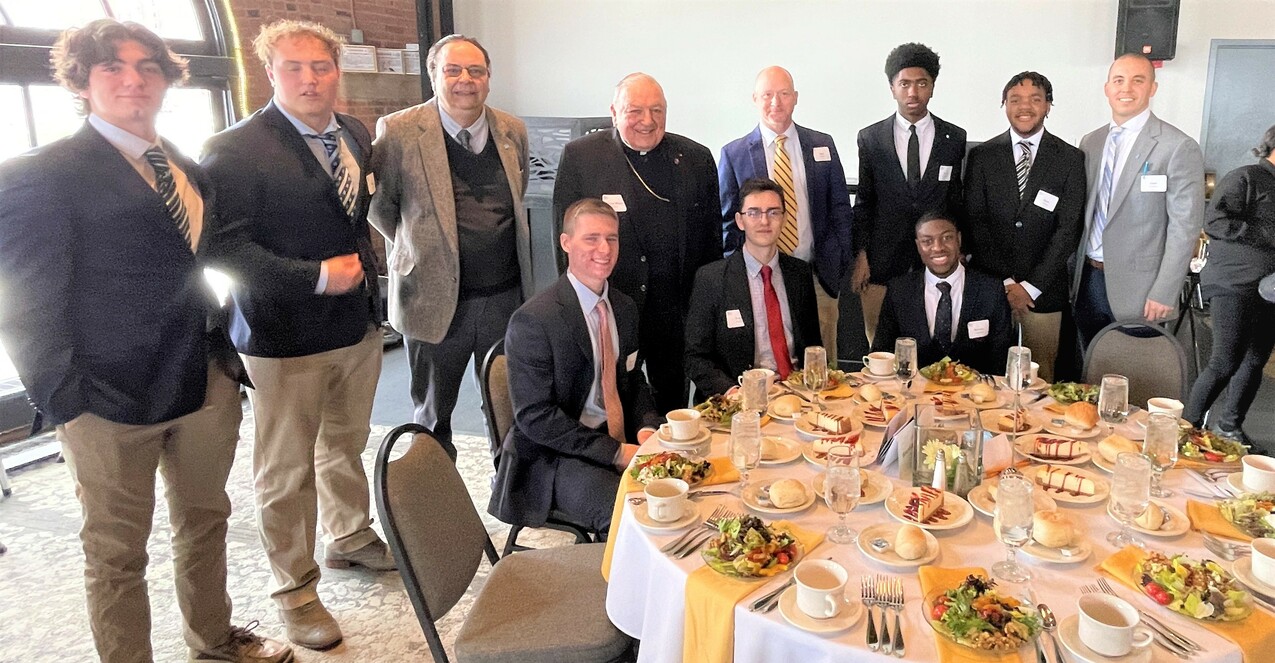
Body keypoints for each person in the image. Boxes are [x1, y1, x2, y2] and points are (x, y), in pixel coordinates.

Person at [0, 19, 292, 663]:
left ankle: (213, 639)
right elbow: (25, 304)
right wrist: (65, 398)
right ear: (81, 81)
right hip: (107, 395)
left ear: (166, 77)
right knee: (116, 551)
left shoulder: (180, 163)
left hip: (201, 377)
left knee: (206, 520)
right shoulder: (41, 174)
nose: (133, 79)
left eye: (147, 66)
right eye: (112, 68)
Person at [200, 20, 391, 651]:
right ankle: (296, 590)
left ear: (337, 70)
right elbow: (224, 251)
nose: (309, 79)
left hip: (354, 327)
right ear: (269, 74)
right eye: (294, 68)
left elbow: (357, 215)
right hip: (282, 336)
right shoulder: (233, 148)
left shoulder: (355, 133)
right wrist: (314, 277)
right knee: (284, 471)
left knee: (345, 443)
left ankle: (351, 535)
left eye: (321, 66)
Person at [369, 34, 533, 460]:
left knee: (505, 406)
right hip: (432, 298)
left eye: (476, 70)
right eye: (453, 70)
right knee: (433, 417)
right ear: (433, 75)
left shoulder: (512, 129)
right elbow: (381, 207)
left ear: (489, 78)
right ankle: (434, 504)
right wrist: (417, 248)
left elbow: (518, 196)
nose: (465, 80)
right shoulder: (399, 131)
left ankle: (509, 493)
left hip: (503, 298)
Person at [488, 199, 661, 532]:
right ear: (566, 243)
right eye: (591, 238)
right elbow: (535, 417)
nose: (604, 248)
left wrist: (646, 428)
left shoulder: (623, 308)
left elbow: (632, 379)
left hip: (618, 437)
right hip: (555, 455)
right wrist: (614, 453)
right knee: (634, 518)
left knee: (684, 492)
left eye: (611, 238)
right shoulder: (534, 320)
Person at [552, 73, 720, 412]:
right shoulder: (581, 157)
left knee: (672, 402)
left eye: (657, 110)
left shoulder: (696, 159)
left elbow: (711, 242)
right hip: (609, 308)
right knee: (611, 398)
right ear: (613, 112)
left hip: (675, 311)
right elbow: (565, 241)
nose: (647, 121)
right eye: (635, 111)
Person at [718, 66, 852, 361]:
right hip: (760, 276)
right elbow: (729, 220)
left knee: (823, 362)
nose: (775, 102)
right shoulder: (734, 153)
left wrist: (840, 256)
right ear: (754, 99)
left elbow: (840, 207)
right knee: (768, 354)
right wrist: (735, 272)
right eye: (767, 95)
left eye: (783, 94)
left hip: (816, 274)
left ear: (795, 98)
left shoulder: (822, 144)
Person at [1072, 53, 1205, 347]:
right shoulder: (1090, 142)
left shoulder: (1177, 147)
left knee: (1135, 377)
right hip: (1088, 281)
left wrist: (1165, 289)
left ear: (1153, 89)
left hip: (1142, 289)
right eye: (1118, 80)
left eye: (1138, 80)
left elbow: (1185, 226)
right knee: (1089, 372)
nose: (1126, 89)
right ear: (1107, 88)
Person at [964, 71, 1086, 381]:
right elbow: (976, 222)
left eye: (1035, 99)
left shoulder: (1070, 159)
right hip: (992, 286)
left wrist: (1030, 287)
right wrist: (1006, 282)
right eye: (1015, 100)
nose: (1025, 107)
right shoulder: (981, 156)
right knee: (986, 373)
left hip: (1044, 290)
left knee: (1041, 375)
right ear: (1004, 104)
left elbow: (1068, 228)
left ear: (1048, 106)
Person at [850, 43, 966, 347]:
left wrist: (961, 253)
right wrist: (861, 255)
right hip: (883, 260)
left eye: (921, 83)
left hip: (938, 259)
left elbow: (955, 201)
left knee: (935, 344)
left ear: (932, 87)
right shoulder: (871, 138)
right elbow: (865, 201)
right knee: (881, 345)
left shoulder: (954, 138)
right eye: (904, 83)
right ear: (892, 87)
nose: (913, 92)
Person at [685, 178, 822, 397]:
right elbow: (695, 357)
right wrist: (730, 391)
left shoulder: (800, 274)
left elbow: (813, 345)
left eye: (773, 212)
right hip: (739, 397)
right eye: (754, 213)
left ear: (785, 219)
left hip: (796, 395)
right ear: (740, 221)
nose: (764, 221)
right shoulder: (712, 278)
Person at [1183, 125, 1275, 446]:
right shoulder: (1246, 177)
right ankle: (1185, 429)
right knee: (1224, 361)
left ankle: (1228, 426)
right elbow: (1214, 221)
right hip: (1232, 285)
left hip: (1270, 292)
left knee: (1254, 361)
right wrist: (1266, 235)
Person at [872, 214, 1013, 374]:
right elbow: (882, 351)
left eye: (947, 238)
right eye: (927, 241)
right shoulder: (899, 290)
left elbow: (1002, 357)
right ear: (918, 246)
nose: (938, 247)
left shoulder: (990, 289)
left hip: (974, 392)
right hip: (914, 392)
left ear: (959, 239)